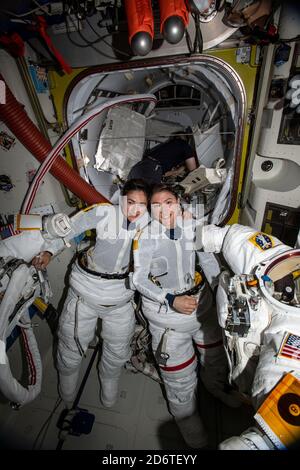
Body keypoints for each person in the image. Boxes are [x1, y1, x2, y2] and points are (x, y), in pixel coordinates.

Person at [132, 183, 238, 449]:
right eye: (156, 205)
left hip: (201, 308)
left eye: (169, 201)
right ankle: (192, 431)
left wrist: (220, 293)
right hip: (168, 318)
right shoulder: (145, 237)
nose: (163, 209)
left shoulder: (193, 228)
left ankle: (215, 387)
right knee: (179, 381)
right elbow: (138, 280)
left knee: (215, 357)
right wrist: (171, 299)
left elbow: (210, 263)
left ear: (178, 204)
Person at [31, 179, 151, 409]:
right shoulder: (103, 212)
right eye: (130, 202)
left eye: (142, 204)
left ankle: (109, 379)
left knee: (118, 347)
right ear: (121, 198)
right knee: (70, 341)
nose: (135, 209)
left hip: (120, 296)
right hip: (86, 292)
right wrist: (48, 251)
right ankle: (67, 380)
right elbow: (70, 228)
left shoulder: (150, 225)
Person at [199, 223, 300, 450]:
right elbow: (227, 237)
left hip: (252, 384)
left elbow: (277, 433)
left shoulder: (291, 346)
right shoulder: (275, 258)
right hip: (232, 354)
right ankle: (224, 390)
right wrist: (184, 233)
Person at [127, 135, 198, 185]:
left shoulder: (164, 149)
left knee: (131, 196)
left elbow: (164, 174)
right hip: (151, 170)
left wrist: (177, 171)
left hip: (138, 169)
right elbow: (193, 170)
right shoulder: (184, 145)